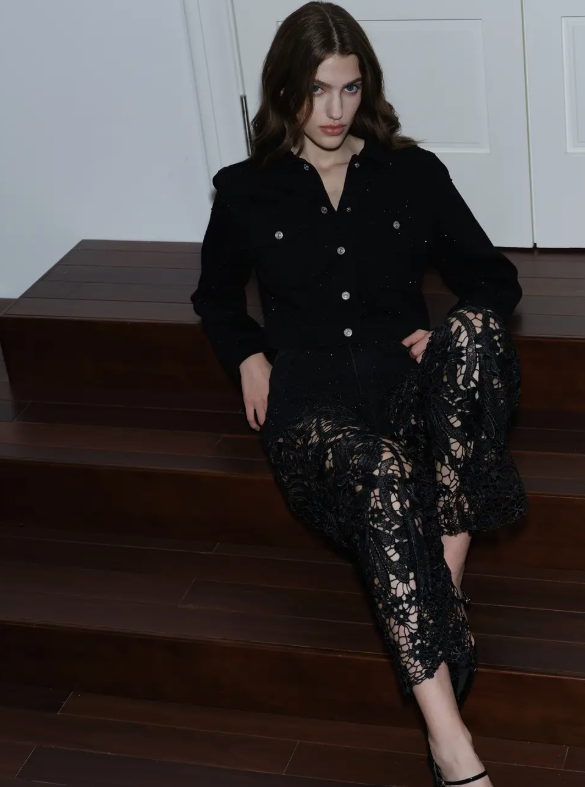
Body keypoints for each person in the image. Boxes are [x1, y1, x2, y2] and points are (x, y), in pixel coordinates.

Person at [190, 3, 528, 785]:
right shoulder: (245, 190)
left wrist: (441, 331)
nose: (334, 110)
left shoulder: (411, 174)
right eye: (316, 91)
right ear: (284, 91)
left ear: (365, 87)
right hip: (314, 412)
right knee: (378, 471)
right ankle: (451, 743)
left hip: (403, 392)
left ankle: (434, 583)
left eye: (348, 88)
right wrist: (246, 355)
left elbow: (492, 278)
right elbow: (215, 297)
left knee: (476, 332)